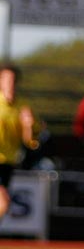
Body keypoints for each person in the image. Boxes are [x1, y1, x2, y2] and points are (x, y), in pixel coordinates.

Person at [0, 65, 37, 221]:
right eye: (7, 79)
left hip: (8, 163)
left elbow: (29, 141)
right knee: (3, 203)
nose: (10, 84)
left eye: (13, 80)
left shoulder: (21, 107)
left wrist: (28, 125)